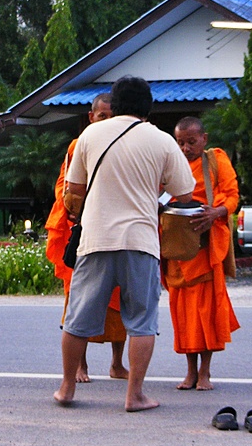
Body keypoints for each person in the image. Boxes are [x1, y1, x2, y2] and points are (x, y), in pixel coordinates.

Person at [53, 76, 195, 411]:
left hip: (96, 238)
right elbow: (185, 193)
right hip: (141, 240)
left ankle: (67, 387)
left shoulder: (90, 134)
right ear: (148, 107)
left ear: (113, 105)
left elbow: (73, 189)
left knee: (77, 320)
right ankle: (135, 395)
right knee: (142, 321)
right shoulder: (161, 141)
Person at [45, 94, 128, 383]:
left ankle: (117, 363)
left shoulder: (125, 144)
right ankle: (80, 366)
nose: (106, 121)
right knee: (79, 297)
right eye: (101, 116)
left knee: (118, 297)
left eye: (111, 116)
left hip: (114, 227)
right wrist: (71, 207)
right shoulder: (78, 145)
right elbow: (64, 185)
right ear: (91, 117)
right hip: (81, 229)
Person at [161, 116, 240, 391]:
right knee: (182, 313)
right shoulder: (169, 163)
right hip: (175, 245)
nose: (185, 148)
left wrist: (217, 212)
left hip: (204, 246)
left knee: (206, 313)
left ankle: (205, 372)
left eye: (191, 142)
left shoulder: (215, 160)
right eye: (180, 142)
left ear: (204, 139)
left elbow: (231, 195)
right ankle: (190, 371)